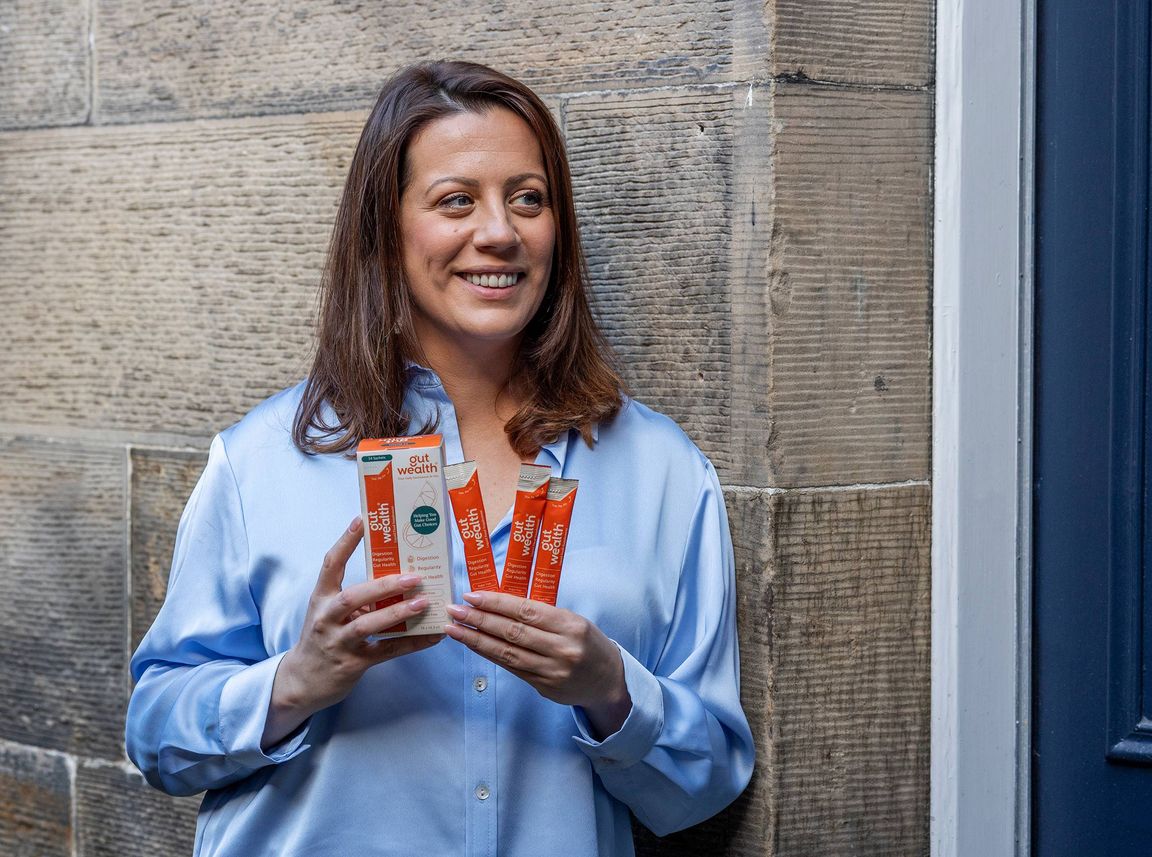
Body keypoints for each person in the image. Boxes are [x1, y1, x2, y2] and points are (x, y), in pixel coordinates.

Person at [126, 60, 754, 857]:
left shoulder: (663, 473)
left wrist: (612, 691)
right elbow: (156, 737)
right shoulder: (260, 462)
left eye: (528, 198)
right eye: (456, 200)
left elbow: (708, 781)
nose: (500, 231)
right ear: (385, 230)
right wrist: (294, 681)